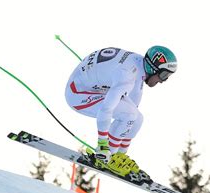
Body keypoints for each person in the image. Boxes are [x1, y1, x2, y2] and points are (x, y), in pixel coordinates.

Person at [65, 46, 177, 176]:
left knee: (137, 118)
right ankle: (107, 157)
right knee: (129, 114)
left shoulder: (138, 66)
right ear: (152, 68)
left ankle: (119, 156)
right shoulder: (126, 75)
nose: (163, 81)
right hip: (78, 94)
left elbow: (134, 105)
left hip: (94, 87)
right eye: (164, 75)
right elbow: (106, 109)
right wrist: (102, 145)